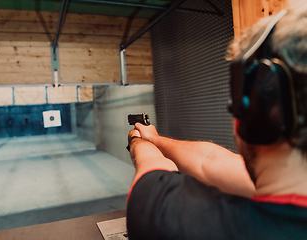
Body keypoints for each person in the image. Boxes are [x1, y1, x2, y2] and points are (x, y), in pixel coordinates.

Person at [126, 1, 307, 239]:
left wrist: (138, 142)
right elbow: (209, 160)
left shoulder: (168, 219)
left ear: (252, 114)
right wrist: (156, 139)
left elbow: (151, 178)